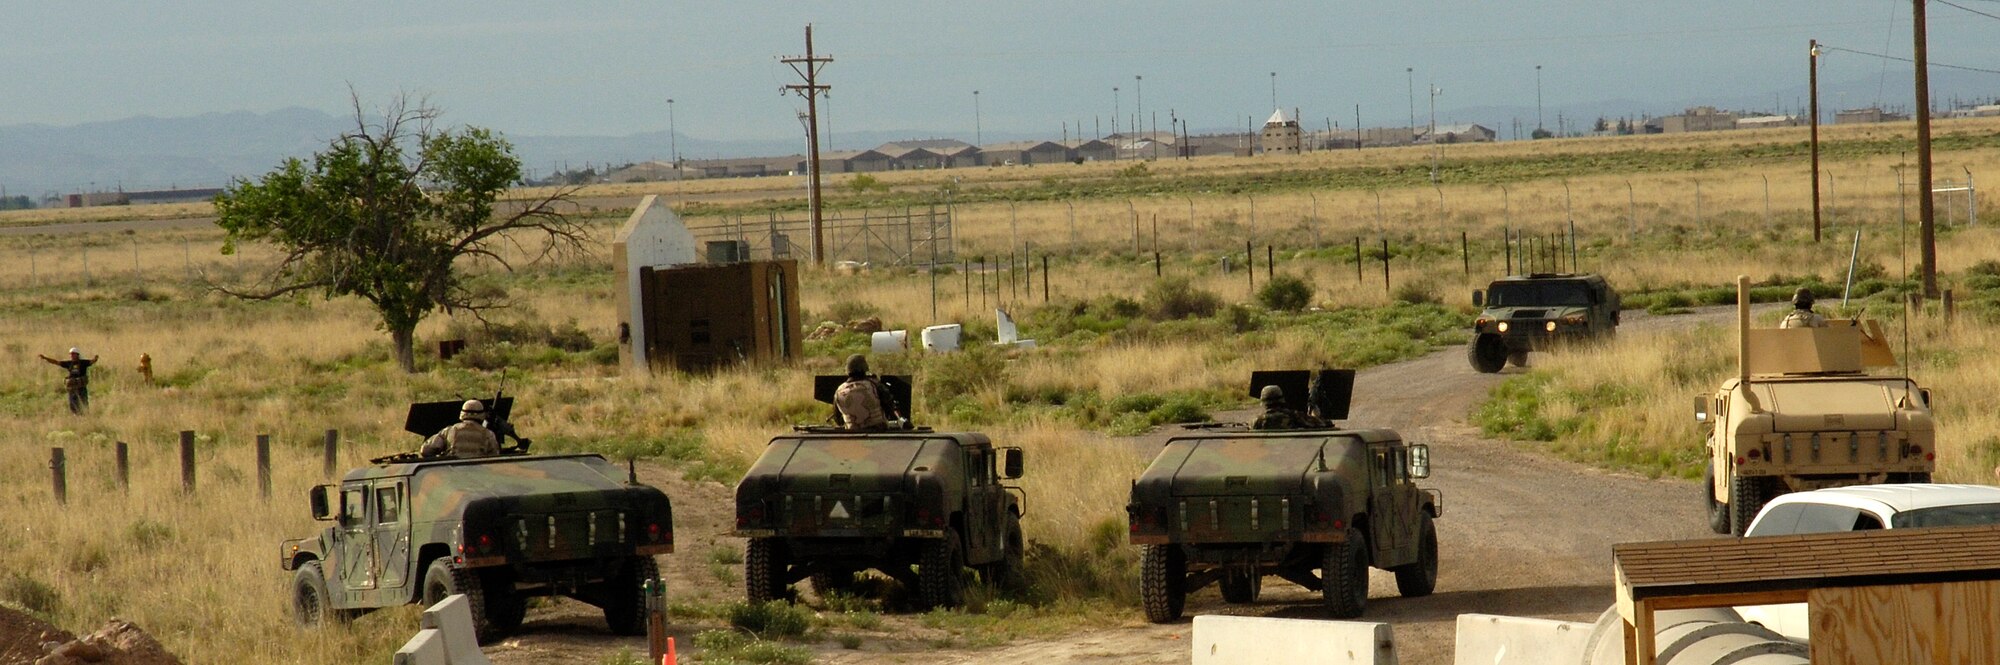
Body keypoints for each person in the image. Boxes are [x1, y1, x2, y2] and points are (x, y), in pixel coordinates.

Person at [834, 354, 903, 431]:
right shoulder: (874, 385)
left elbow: (838, 420)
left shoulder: (839, 391)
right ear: (864, 368)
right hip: (878, 430)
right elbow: (889, 406)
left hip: (852, 432)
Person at [421, 400, 501, 458]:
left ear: (462, 414)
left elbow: (425, 450)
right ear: (482, 414)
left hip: (453, 474)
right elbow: (494, 457)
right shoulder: (488, 434)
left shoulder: (449, 431)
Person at [38, 348, 98, 414]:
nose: (71, 356)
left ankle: (84, 415)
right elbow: (56, 362)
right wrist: (45, 358)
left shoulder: (83, 363)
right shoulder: (69, 363)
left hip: (81, 387)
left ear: (77, 354)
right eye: (71, 354)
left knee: (83, 403)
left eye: (73, 354)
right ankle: (76, 416)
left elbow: (92, 362)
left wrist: (95, 358)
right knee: (73, 404)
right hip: (72, 388)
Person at [1252, 385, 1323, 430]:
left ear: (1264, 402)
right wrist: (1315, 415)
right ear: (1281, 400)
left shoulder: (1257, 421)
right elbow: (1324, 424)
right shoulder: (1294, 416)